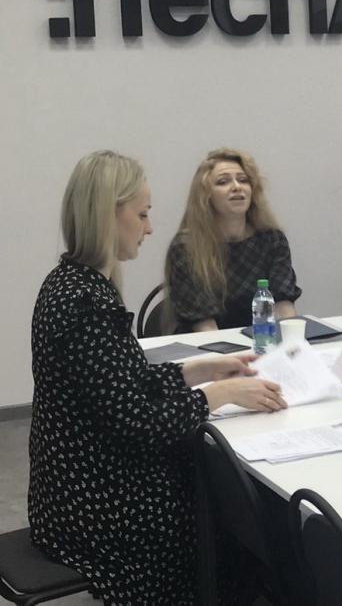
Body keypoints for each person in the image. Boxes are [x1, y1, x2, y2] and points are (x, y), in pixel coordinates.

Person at [30, 150, 288, 603]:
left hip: (72, 490)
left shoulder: (72, 284)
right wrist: (221, 393)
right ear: (107, 216)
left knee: (221, 495)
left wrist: (196, 370)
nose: (149, 228)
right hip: (95, 511)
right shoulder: (86, 304)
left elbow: (121, 384)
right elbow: (139, 423)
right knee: (229, 514)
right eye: (142, 214)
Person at [165, 148, 301, 332]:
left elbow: (284, 307)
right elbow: (204, 326)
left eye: (243, 180)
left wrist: (292, 343)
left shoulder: (272, 240)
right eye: (223, 182)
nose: (237, 187)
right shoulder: (186, 247)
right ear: (206, 196)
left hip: (262, 339)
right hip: (208, 343)